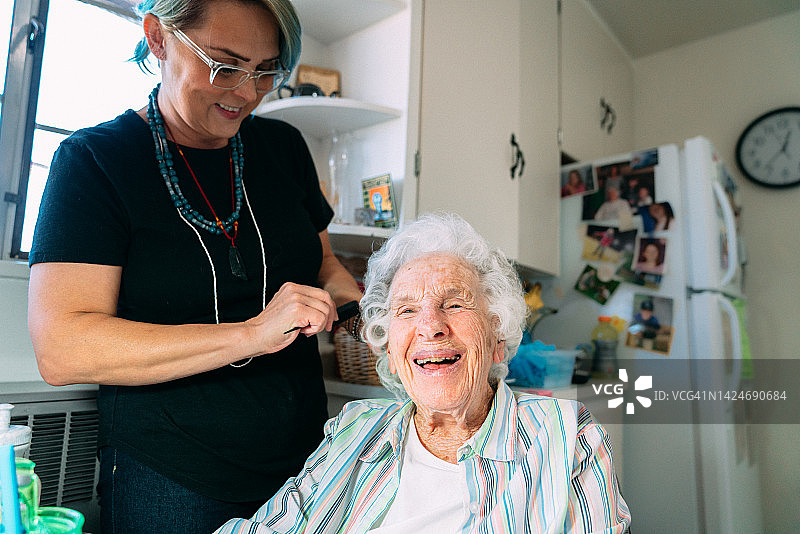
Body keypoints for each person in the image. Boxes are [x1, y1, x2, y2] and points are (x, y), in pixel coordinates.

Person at [26, 0, 362, 532]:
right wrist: (251, 334)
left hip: (306, 464)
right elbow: (62, 349)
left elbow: (323, 264)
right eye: (225, 66)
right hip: (172, 474)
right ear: (159, 38)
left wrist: (369, 313)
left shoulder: (285, 148)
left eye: (265, 71)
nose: (248, 93)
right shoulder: (96, 161)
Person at [216, 213, 631, 533]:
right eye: (407, 310)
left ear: (497, 338)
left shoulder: (565, 436)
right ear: (392, 350)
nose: (430, 325)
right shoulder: (356, 429)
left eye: (454, 304)